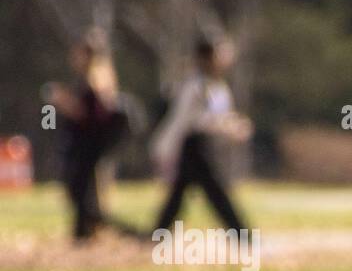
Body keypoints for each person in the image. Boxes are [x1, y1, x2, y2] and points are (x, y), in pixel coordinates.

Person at [150, 36, 253, 234]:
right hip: (194, 145)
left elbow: (219, 116)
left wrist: (233, 125)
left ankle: (158, 232)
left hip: (204, 146)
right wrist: (229, 127)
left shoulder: (217, 86)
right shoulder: (196, 86)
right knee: (215, 190)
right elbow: (191, 120)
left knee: (181, 193)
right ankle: (241, 233)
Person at [43, 30, 132, 241]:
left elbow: (90, 112)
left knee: (81, 189)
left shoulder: (97, 76)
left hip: (89, 143)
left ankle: (96, 227)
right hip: (85, 142)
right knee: (83, 190)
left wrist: (61, 100)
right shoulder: (97, 75)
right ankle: (86, 230)